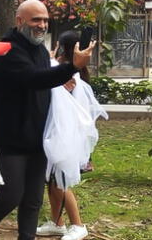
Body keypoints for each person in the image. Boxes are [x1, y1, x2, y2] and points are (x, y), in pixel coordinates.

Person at [0, 0, 95, 240]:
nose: (42, 25)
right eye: (36, 19)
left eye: (45, 20)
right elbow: (33, 78)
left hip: (38, 137)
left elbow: (43, 80)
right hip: (10, 137)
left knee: (33, 199)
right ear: (19, 21)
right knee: (11, 195)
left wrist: (62, 78)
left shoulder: (41, 50)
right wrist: (71, 67)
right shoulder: (7, 50)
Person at [37, 30, 106, 240]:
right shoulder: (66, 71)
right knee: (53, 180)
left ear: (62, 47)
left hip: (64, 136)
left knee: (61, 181)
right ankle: (57, 223)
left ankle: (78, 224)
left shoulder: (68, 74)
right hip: (59, 134)